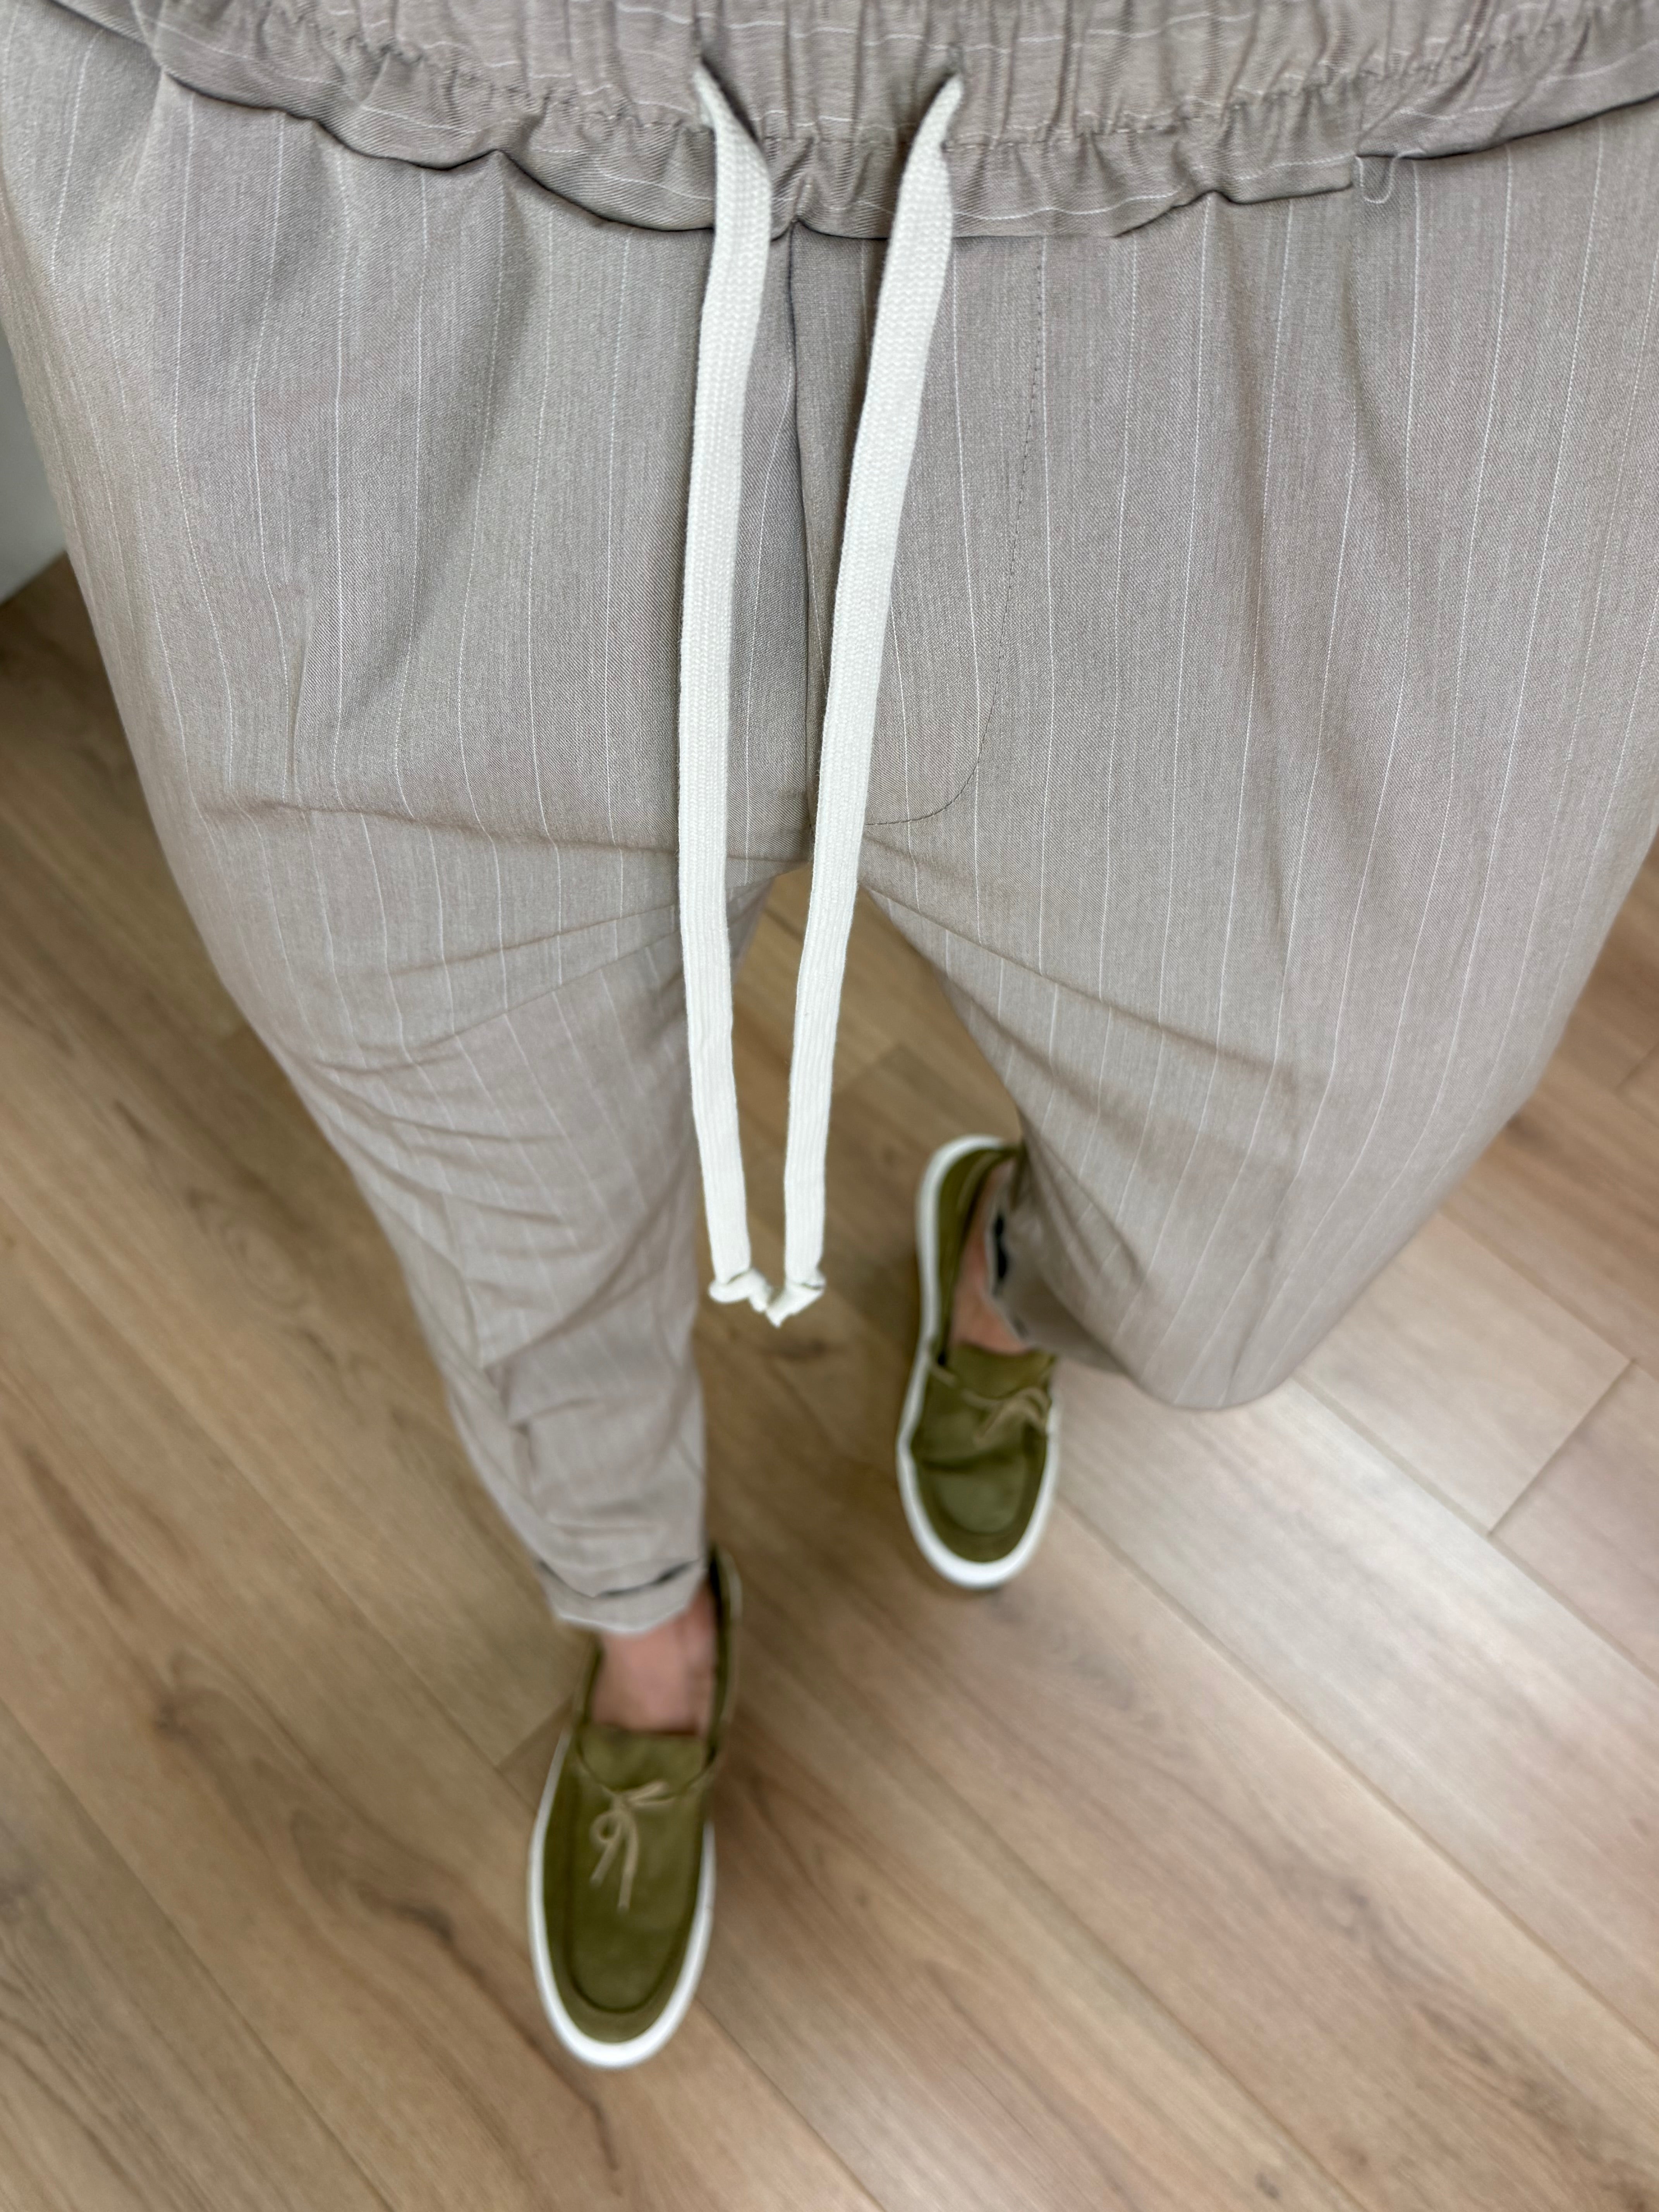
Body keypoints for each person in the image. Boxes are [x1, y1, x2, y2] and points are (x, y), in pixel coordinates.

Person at [3, 0, 1657, 2069]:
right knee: (493, 1184)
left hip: (1363, 165)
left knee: (1294, 1178)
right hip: (365, 147)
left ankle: (1014, 1280)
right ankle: (644, 1625)